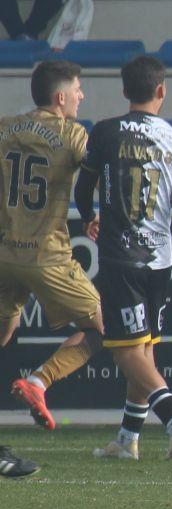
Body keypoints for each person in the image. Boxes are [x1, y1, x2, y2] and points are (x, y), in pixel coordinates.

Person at [76, 56, 172, 461]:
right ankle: (127, 440)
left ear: (125, 92)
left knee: (125, 351)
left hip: (120, 256)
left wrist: (90, 217)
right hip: (160, 259)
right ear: (162, 91)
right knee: (144, 350)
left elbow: (83, 186)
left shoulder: (104, 133)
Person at [4, 61, 110, 432]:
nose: (82, 96)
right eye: (78, 90)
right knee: (105, 327)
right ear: (60, 97)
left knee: (4, 329)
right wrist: (95, 213)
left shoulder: (5, 128)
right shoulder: (72, 134)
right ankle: (39, 381)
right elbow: (98, 171)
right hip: (46, 255)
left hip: (3, 253)